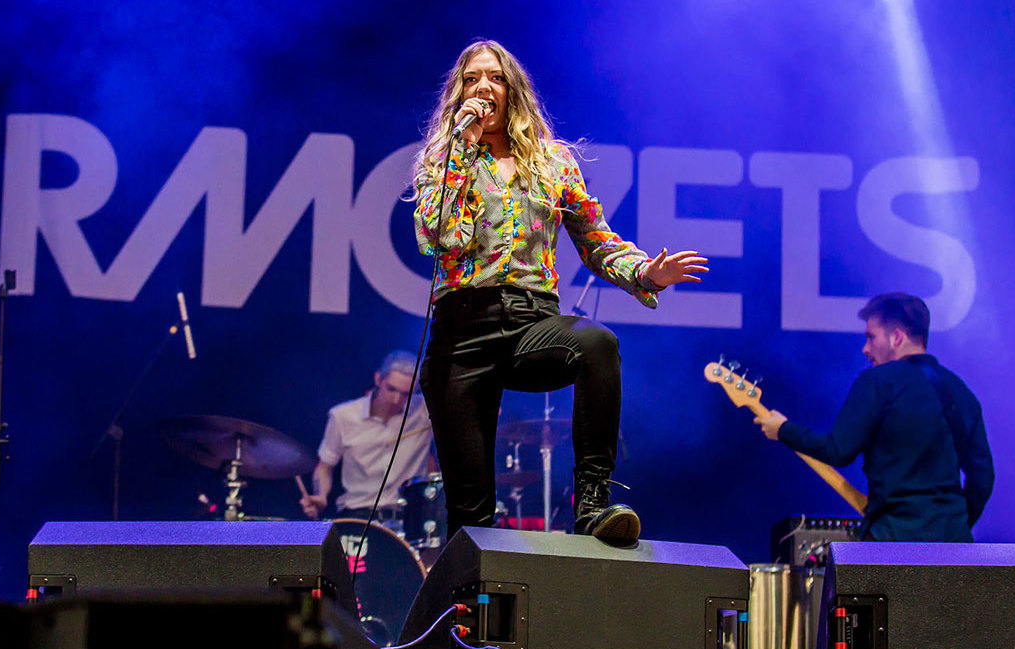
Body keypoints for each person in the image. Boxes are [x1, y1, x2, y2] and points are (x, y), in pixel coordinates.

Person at [411, 40, 709, 547]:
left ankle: (592, 503)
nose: (483, 87)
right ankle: (465, 621)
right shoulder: (440, 161)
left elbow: (597, 241)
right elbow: (443, 239)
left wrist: (647, 273)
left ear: (513, 90)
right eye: (472, 78)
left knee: (597, 345)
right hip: (460, 331)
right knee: (470, 514)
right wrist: (461, 150)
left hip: (531, 322)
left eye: (496, 77)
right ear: (458, 92)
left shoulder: (553, 163)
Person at [754, 293, 994, 542]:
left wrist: (783, 429)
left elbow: (837, 450)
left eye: (871, 337)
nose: (865, 348)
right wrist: (956, 525)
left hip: (891, 544)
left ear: (897, 337)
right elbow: (983, 478)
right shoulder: (961, 392)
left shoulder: (878, 381)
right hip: (953, 549)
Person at [301, 351, 435, 524]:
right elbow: (325, 466)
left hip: (408, 518)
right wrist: (321, 495)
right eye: (391, 389)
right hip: (358, 515)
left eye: (405, 394)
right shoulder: (343, 416)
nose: (396, 399)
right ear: (379, 379)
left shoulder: (424, 412)